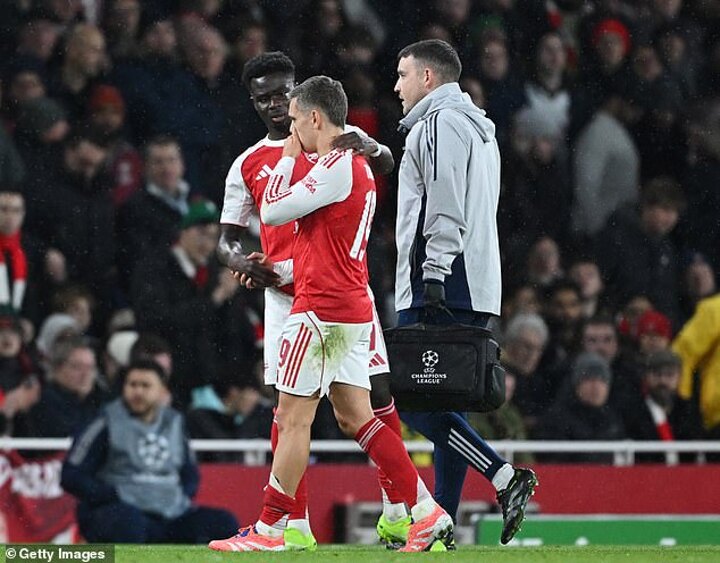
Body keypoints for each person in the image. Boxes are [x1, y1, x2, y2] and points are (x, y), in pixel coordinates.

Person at [210, 76, 453, 553]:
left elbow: (273, 210)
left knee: (291, 418)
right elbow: (321, 243)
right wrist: (274, 269)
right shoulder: (352, 166)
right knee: (357, 417)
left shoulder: (337, 166)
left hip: (321, 311)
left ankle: (270, 529)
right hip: (347, 307)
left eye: (295, 120)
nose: (291, 130)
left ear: (315, 118)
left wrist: (285, 158)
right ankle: (425, 511)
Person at [393, 39, 537, 545]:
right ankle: (442, 522)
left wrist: (433, 269)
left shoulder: (438, 125)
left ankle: (502, 475)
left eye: (403, 74)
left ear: (427, 78)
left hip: (443, 279)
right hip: (473, 279)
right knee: (445, 400)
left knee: (410, 399)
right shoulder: (477, 127)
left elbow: (445, 200)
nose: (397, 86)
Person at [61, 359, 238, 543]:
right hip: (121, 511)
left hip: (170, 514)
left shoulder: (175, 423)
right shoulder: (105, 422)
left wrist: (176, 497)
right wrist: (111, 495)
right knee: (128, 523)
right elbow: (72, 475)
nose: (138, 392)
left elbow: (190, 474)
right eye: (132, 385)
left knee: (223, 523)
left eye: (145, 386)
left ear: (162, 391)